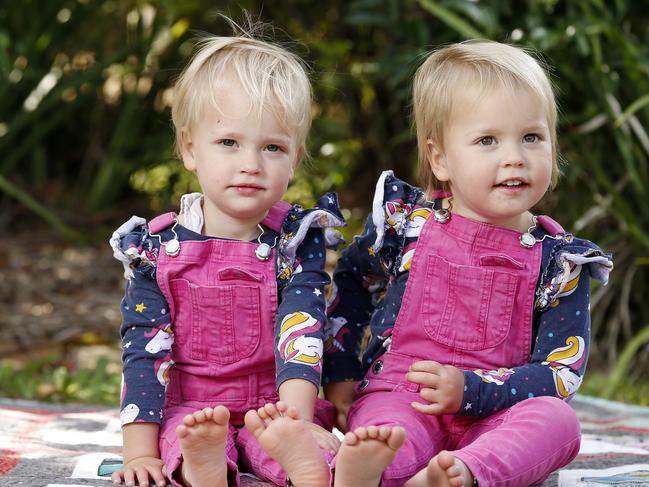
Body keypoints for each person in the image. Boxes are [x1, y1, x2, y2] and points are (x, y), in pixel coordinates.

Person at [323, 40, 613, 487]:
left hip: (496, 414)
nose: (514, 156)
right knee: (383, 434)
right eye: (488, 140)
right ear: (440, 158)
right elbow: (352, 281)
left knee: (558, 422)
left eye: (532, 137)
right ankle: (372, 472)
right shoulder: (407, 226)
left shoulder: (559, 261)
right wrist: (341, 371)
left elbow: (562, 372)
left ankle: (464, 473)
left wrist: (474, 390)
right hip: (406, 396)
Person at [109, 24, 346, 487]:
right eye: (229, 143)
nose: (251, 164)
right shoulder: (157, 251)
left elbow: (303, 331)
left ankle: (305, 468)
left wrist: (293, 422)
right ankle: (204, 467)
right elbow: (145, 350)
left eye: (272, 147)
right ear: (189, 148)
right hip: (190, 407)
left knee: (287, 446)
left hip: (274, 405)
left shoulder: (295, 243)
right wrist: (139, 453)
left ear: (295, 157)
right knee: (187, 437)